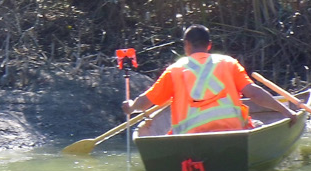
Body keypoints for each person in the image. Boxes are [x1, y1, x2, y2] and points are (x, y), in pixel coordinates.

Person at [122, 24, 297, 134]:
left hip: (189, 137)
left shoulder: (175, 70)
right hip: (233, 132)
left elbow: (146, 101)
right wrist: (286, 111)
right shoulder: (229, 63)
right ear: (210, 45)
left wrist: (131, 107)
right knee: (256, 125)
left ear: (187, 45)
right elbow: (254, 93)